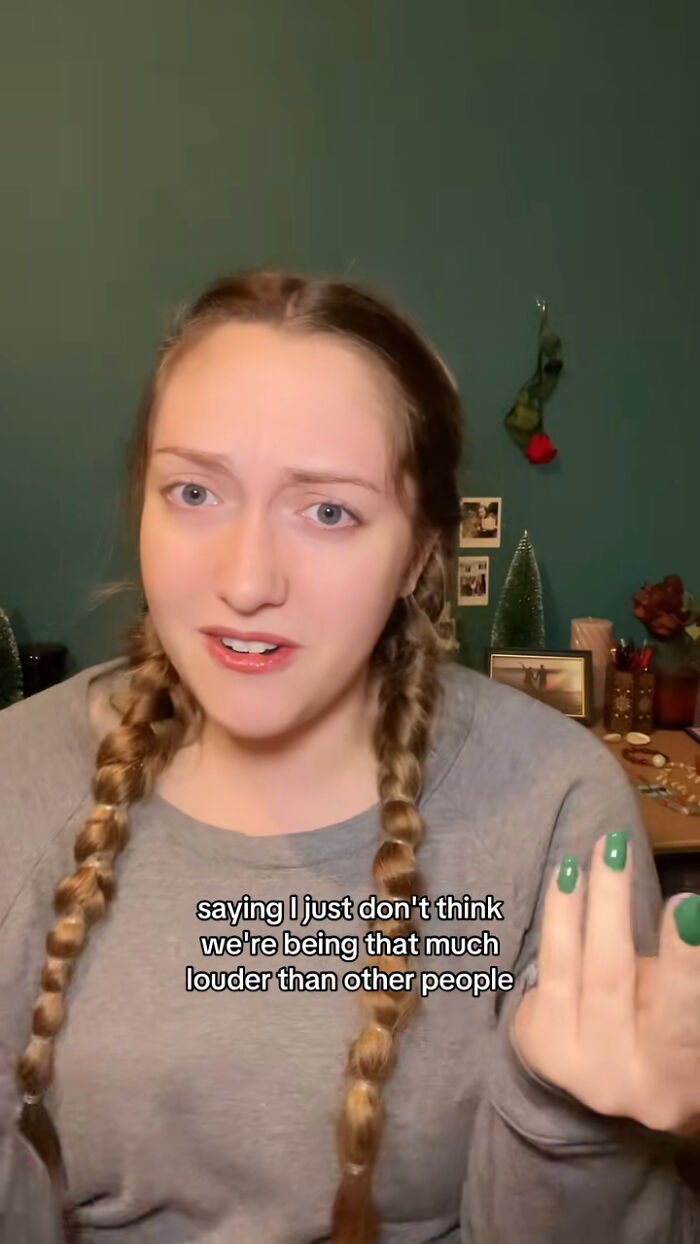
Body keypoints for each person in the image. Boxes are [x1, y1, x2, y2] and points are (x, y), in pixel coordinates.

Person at [1, 269, 698, 1244]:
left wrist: (571, 1120)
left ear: (417, 553)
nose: (245, 581)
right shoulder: (13, 784)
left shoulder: (552, 802)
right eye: (193, 490)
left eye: (327, 510)